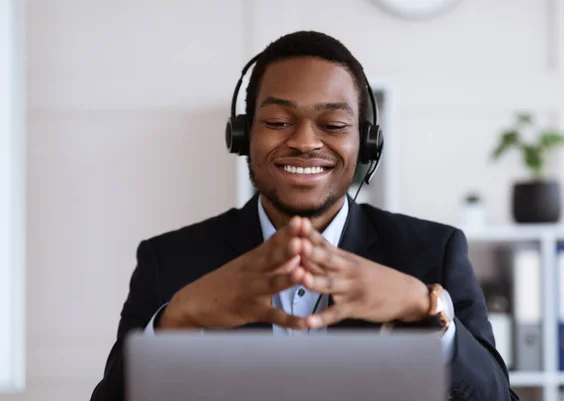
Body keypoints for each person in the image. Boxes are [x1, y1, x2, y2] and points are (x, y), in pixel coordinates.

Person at [90, 30, 518, 401]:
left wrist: (423, 307)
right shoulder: (167, 260)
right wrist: (176, 321)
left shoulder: (433, 253)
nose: (305, 142)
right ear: (241, 135)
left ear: (366, 144)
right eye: (278, 121)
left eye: (333, 125)